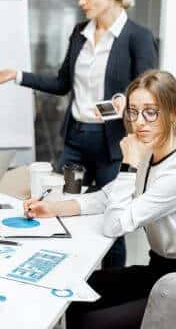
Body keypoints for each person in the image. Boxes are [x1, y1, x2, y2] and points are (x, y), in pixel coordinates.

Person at [0, 0, 158, 267]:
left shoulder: (137, 37)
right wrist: (18, 76)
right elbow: (63, 83)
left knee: (108, 219)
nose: (80, 2)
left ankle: (106, 288)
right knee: (59, 206)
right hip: (76, 138)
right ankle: (65, 271)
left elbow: (149, 91)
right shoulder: (80, 33)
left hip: (111, 144)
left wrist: (123, 101)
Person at [24, 70, 176, 329]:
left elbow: (114, 225)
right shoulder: (149, 152)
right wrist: (53, 208)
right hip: (156, 269)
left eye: (151, 112)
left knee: (86, 321)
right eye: (133, 111)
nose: (140, 122)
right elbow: (107, 197)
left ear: (172, 114)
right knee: (72, 297)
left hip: (171, 284)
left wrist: (128, 164)